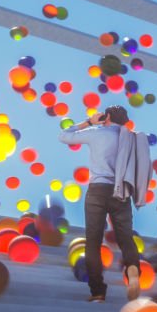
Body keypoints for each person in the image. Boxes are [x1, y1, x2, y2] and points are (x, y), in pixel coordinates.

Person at [58, 105, 145, 302]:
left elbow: (64, 136)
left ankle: (98, 291)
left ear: (106, 117)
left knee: (93, 242)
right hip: (121, 192)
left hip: (98, 190)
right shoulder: (130, 138)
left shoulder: (97, 133)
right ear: (124, 121)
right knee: (125, 238)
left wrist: (89, 121)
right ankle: (132, 271)